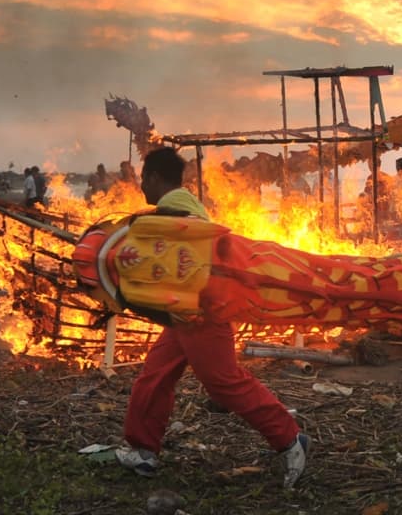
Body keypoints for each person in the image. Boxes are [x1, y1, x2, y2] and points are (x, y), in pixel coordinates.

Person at [111, 148, 309, 487]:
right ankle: (143, 449)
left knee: (223, 381)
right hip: (185, 311)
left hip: (200, 313)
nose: (142, 185)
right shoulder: (181, 206)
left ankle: (290, 438)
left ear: (156, 178)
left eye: (144, 178)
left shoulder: (175, 211)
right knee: (156, 373)